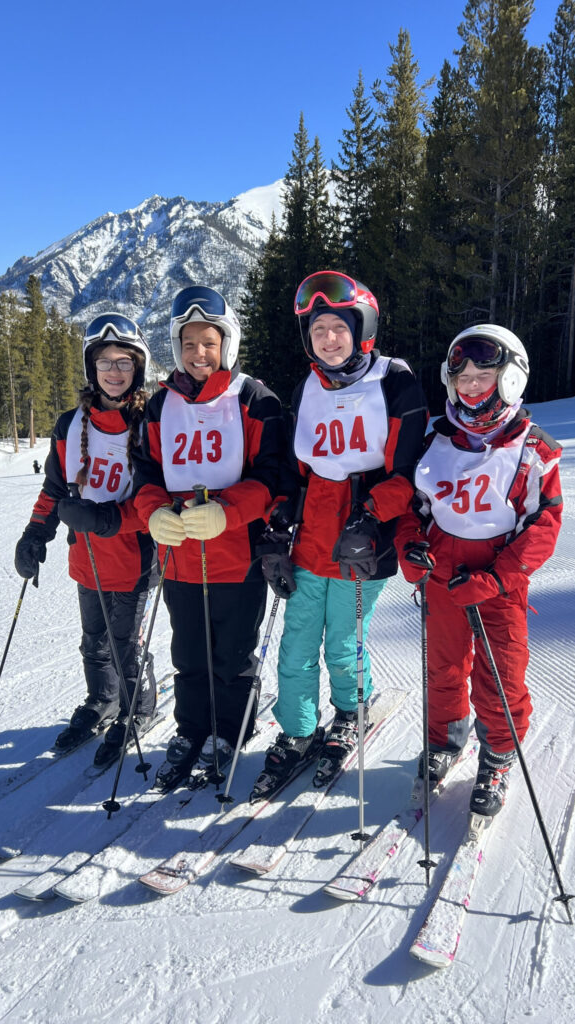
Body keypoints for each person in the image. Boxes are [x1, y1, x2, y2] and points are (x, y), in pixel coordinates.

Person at [251, 270, 429, 798]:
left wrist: (372, 519)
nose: (328, 339)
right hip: (309, 544)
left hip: (361, 544)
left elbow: (407, 471)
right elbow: (291, 472)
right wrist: (276, 530)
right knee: (296, 646)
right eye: (318, 329)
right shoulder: (307, 387)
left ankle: (350, 711)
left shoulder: (396, 383)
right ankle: (300, 731)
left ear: (362, 327)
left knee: (344, 647)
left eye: (338, 327)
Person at [396, 324, 563, 821]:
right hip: (443, 574)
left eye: (483, 372)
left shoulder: (534, 450)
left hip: (498, 579)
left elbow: (543, 526)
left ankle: (497, 752)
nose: (471, 383)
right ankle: (444, 739)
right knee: (442, 665)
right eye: (461, 374)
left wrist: (495, 578)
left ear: (510, 377)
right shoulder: (436, 441)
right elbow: (414, 509)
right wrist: (410, 545)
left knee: (502, 672)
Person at [131, 285, 284, 790]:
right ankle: (192, 727)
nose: (200, 354)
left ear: (227, 344)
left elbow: (274, 475)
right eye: (190, 343)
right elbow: (145, 473)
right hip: (178, 556)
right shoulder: (159, 406)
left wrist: (228, 512)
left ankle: (229, 731)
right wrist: (153, 512)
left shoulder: (254, 398)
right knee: (189, 652)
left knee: (232, 654)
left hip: (235, 555)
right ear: (177, 347)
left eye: (210, 343)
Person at [13, 312, 159, 768]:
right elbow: (54, 489)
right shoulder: (69, 424)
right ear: (91, 369)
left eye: (124, 362)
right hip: (87, 559)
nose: (114, 371)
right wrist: (35, 533)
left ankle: (139, 705)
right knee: (93, 638)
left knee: (124, 642)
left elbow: (160, 501)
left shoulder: (150, 424)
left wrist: (104, 518)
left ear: (138, 368)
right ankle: (103, 699)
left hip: (133, 558)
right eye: (104, 362)